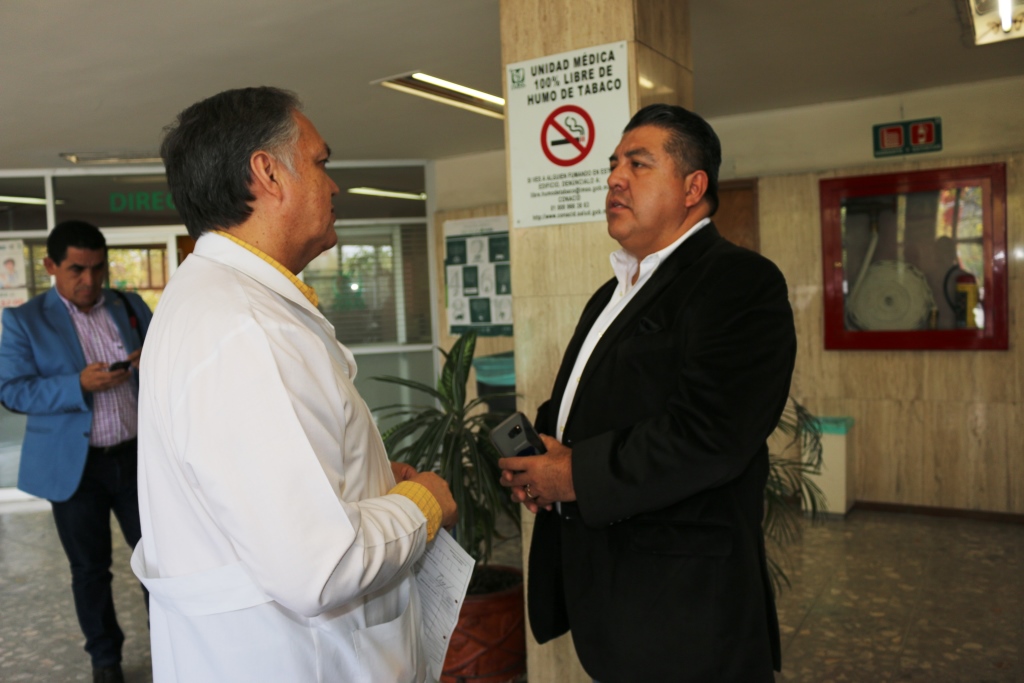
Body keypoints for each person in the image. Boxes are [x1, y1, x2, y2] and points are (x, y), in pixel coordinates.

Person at [132, 86, 457, 682]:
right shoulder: (244, 328)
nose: (334, 186)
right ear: (268, 174)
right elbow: (320, 567)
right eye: (320, 162)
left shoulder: (214, 300)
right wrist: (423, 503)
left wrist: (369, 482)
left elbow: (264, 494)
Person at [499, 104, 797, 682]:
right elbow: (588, 402)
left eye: (638, 164)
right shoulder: (612, 293)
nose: (615, 178)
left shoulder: (738, 282)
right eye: (614, 165)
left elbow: (711, 435)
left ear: (693, 187)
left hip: (685, 609)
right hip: (611, 596)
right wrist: (541, 456)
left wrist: (574, 474)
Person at [0, 220, 152, 683]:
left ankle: (173, 644)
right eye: (77, 270)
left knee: (158, 560)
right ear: (51, 266)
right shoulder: (24, 320)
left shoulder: (129, 305)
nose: (90, 280)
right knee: (90, 570)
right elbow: (12, 391)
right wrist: (77, 384)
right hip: (76, 469)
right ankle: (105, 661)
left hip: (137, 460)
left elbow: (168, 357)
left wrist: (151, 360)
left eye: (98, 268)